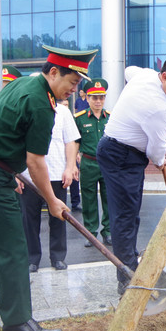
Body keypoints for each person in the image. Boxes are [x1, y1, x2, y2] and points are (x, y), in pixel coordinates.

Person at [0, 45, 96, 331]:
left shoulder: (24, 83)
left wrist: (8, 167)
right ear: (54, 72)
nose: (74, 89)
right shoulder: (42, 105)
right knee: (13, 249)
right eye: (72, 82)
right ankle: (18, 323)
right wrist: (52, 200)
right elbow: (35, 161)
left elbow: (5, 130)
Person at [97, 57, 166, 295]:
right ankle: (127, 276)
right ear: (164, 76)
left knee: (129, 214)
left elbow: (129, 70)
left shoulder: (145, 75)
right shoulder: (159, 108)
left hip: (116, 151)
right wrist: (161, 160)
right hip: (122, 156)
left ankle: (130, 261)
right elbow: (155, 150)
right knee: (125, 217)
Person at [19, 98, 80, 272]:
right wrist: (15, 174)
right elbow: (15, 144)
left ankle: (58, 256)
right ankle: (31, 258)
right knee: (29, 219)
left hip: (57, 173)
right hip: (28, 176)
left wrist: (70, 167)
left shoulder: (62, 111)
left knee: (59, 217)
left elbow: (71, 142)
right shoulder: (24, 111)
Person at [75, 79, 111, 246]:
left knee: (109, 198)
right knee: (88, 200)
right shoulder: (80, 119)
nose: (98, 101)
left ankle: (108, 231)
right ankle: (91, 233)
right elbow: (74, 140)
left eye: (101, 98)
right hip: (88, 163)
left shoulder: (111, 118)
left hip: (107, 164)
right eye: (94, 98)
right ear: (87, 98)